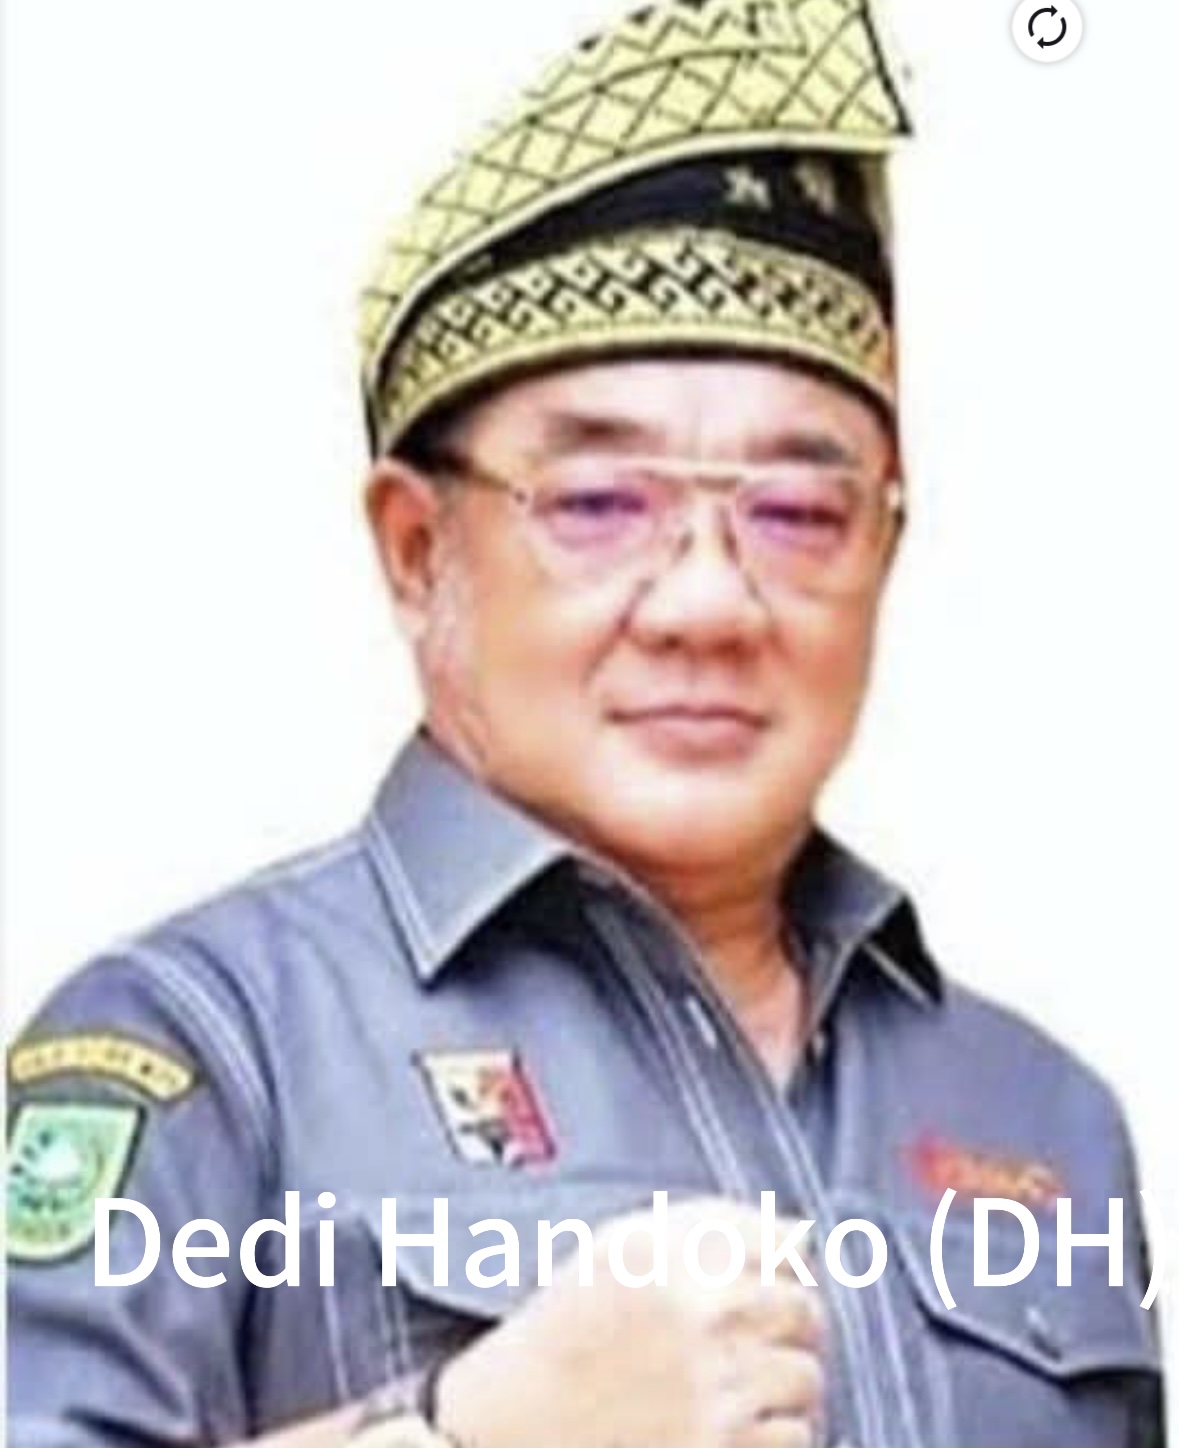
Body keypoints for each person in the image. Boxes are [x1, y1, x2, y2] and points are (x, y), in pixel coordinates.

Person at [7, 0, 1165, 1445]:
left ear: (887, 544)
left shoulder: (1043, 1119)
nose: (708, 601)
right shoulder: (210, 1053)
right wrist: (469, 1434)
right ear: (417, 551)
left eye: (799, 513)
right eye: (601, 504)